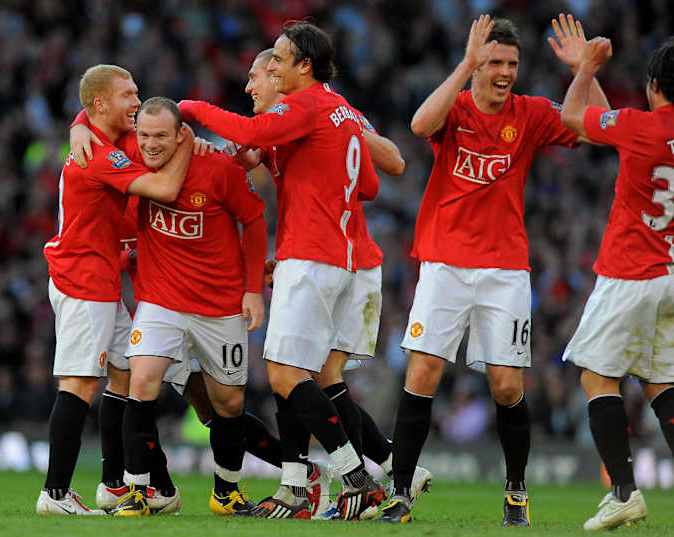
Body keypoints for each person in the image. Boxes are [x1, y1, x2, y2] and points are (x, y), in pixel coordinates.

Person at [378, 14, 609, 525]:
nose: (505, 72)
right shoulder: (455, 108)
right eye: (495, 62)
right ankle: (399, 491)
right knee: (423, 372)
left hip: (504, 269)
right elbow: (419, 126)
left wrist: (585, 72)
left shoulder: (530, 113)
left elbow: (599, 129)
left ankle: (516, 491)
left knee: (506, 386)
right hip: (443, 262)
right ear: (479, 66)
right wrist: (465, 64)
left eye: (512, 64)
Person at [179, 22, 386, 520]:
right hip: (335, 257)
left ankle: (357, 478)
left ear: (304, 66)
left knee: (285, 372)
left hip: (312, 255)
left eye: (279, 58)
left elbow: (250, 131)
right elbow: (370, 185)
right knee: (294, 374)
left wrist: (191, 107)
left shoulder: (307, 103)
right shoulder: (342, 110)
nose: (271, 67)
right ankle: (295, 485)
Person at [243, 47, 430, 520]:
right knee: (316, 376)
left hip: (338, 261)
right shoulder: (287, 129)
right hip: (331, 259)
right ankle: (379, 467)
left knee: (294, 372)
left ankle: (342, 480)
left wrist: (347, 123)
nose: (250, 87)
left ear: (280, 78)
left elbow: (391, 164)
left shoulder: (325, 112)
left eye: (257, 77)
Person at [76, 97, 267, 516]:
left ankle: (226, 493)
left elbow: (253, 220)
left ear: (182, 133)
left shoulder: (218, 167)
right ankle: (136, 491)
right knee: (141, 381)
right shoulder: (130, 155)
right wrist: (76, 127)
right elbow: (97, 109)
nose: (150, 144)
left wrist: (253, 290)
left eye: (160, 135)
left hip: (219, 305)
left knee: (228, 402)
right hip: (160, 302)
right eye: (144, 135)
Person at [36, 64, 192, 515]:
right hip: (83, 281)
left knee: (126, 373)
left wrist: (78, 123)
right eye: (128, 95)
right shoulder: (100, 157)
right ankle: (55, 494)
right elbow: (165, 187)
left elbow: (88, 111)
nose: (137, 102)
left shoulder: (96, 138)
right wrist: (185, 142)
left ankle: (114, 485)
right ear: (102, 104)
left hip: (100, 280)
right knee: (79, 383)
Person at [561, 37, 674, 530]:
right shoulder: (639, 129)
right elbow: (613, 129)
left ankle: (624, 493)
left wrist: (585, 70)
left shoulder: (639, 126)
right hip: (670, 276)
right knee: (661, 383)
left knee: (596, 377)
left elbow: (572, 117)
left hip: (631, 271)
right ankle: (625, 492)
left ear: (653, 85)